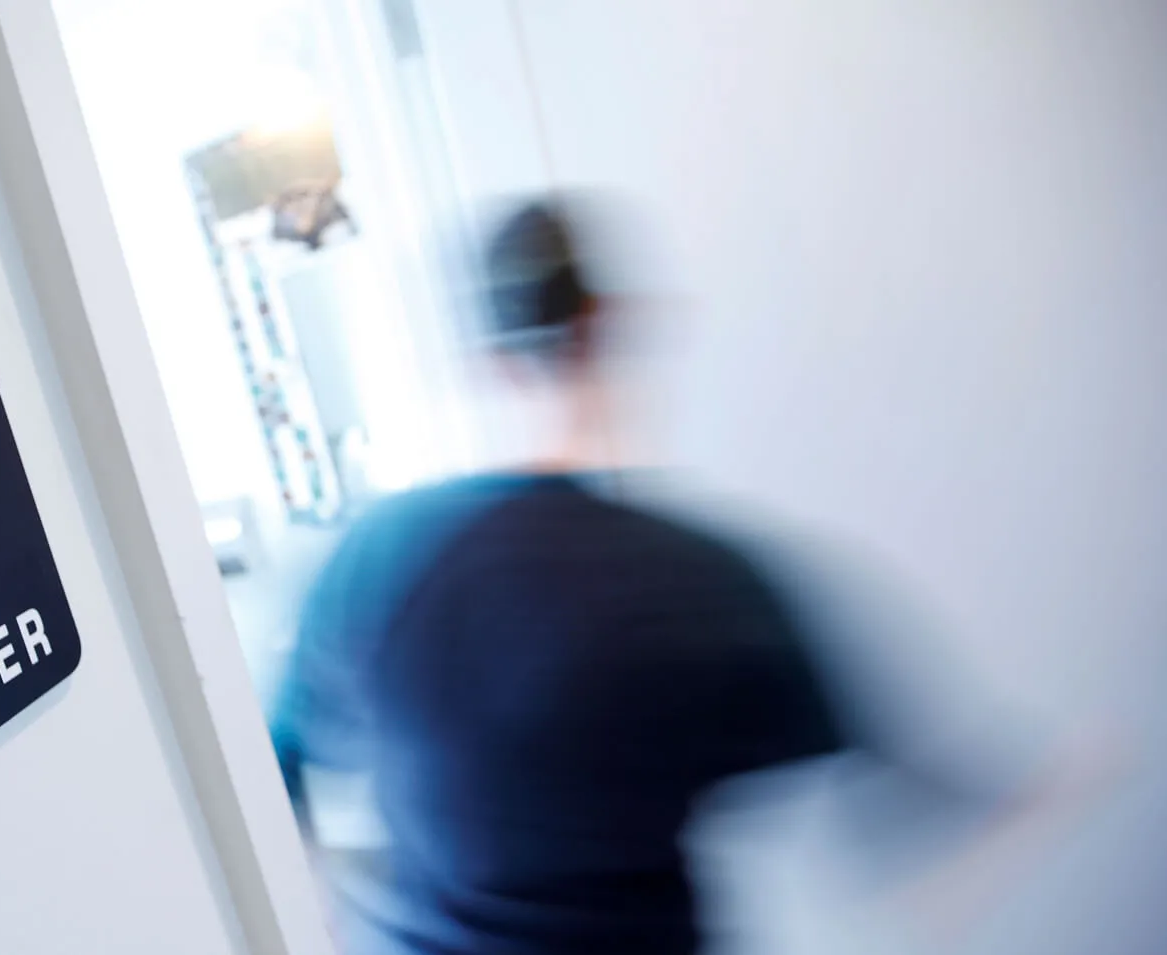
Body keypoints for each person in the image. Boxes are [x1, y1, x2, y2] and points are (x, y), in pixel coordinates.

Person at [269, 198, 847, 954]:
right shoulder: (707, 577)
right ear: (606, 324)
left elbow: (272, 770)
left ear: (489, 359)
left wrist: (329, 925)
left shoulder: (382, 554)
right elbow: (900, 812)